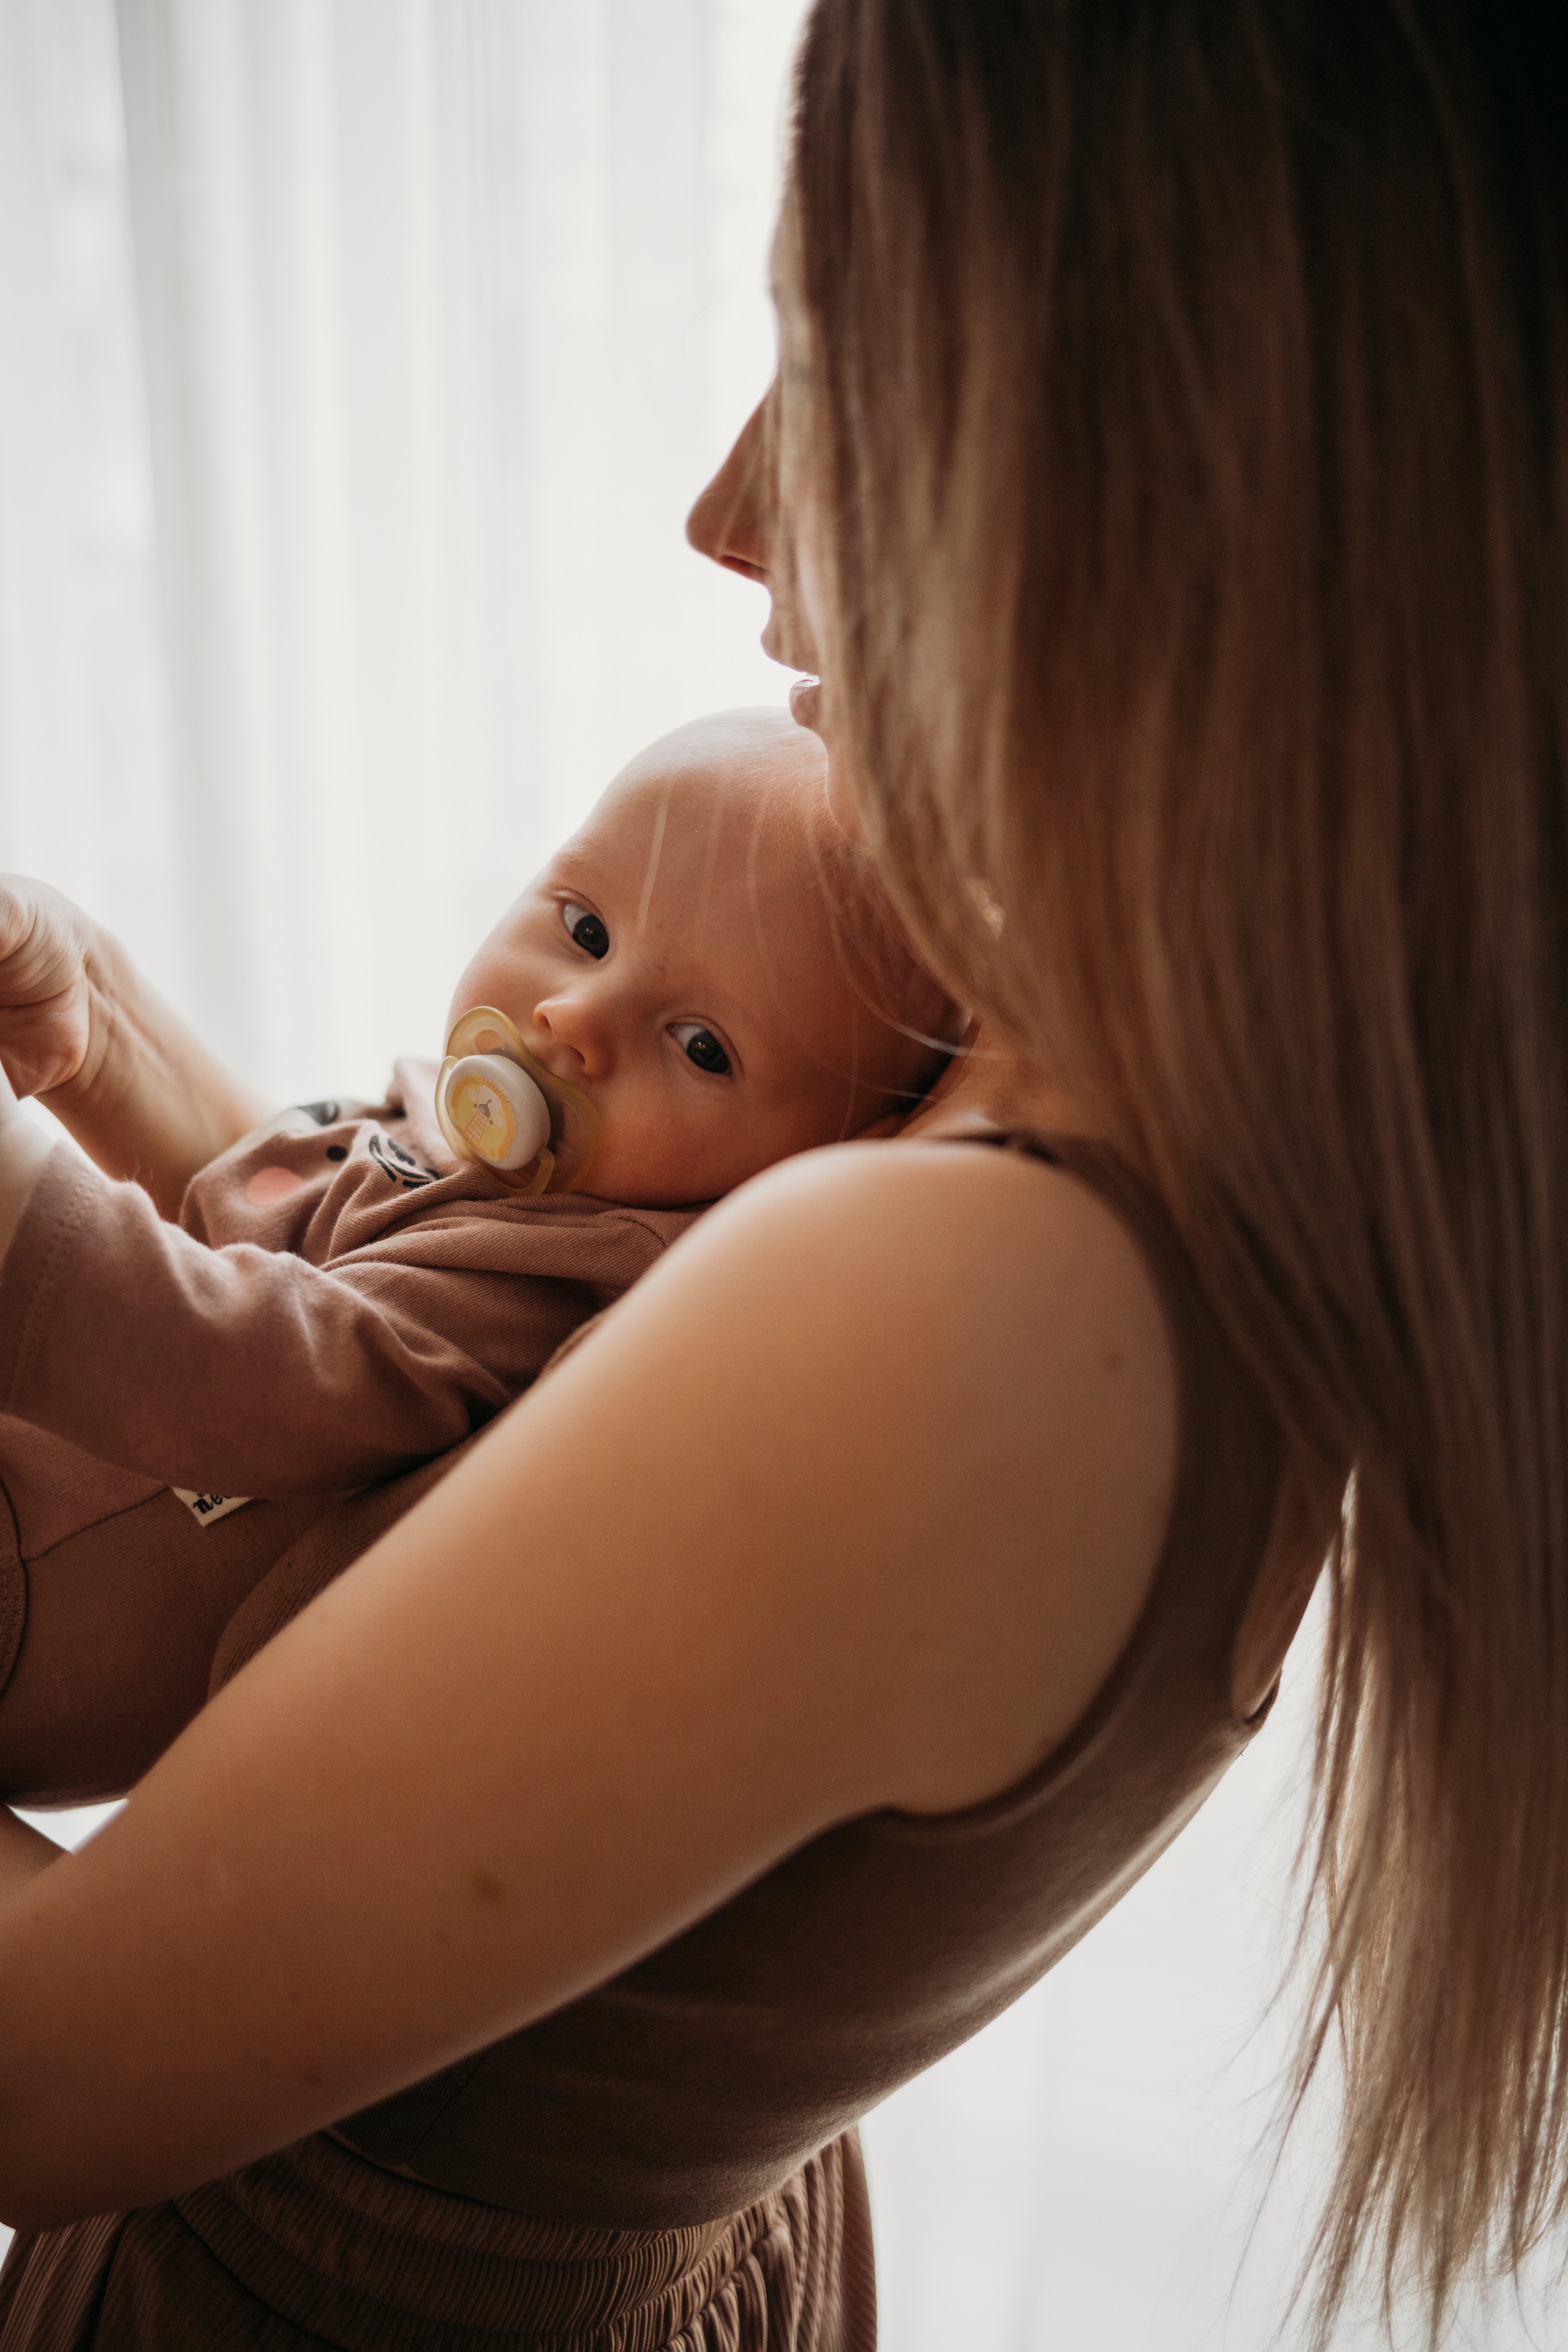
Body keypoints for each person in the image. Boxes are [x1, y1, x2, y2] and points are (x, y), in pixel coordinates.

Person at [0, 2, 1559, 2346]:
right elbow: (447, 1398)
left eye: (840, 364)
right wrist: (110, 1023)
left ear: (1165, 480)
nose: (728, 512)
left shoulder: (968, 1303)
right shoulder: (1142, 1166)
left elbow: (41, 2070)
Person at [0, 707, 951, 1807]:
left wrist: (20, 1198)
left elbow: (249, 1369)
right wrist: (92, 1013)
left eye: (702, 1047)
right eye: (586, 928)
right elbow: (263, 1215)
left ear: (817, 1165)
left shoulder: (559, 1288)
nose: (572, 1017)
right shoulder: (474, 1150)